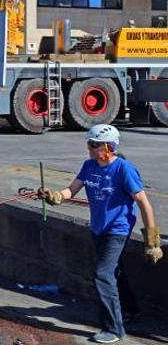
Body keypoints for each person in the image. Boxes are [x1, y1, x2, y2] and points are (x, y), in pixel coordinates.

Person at [39, 124, 163, 344]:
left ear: (109, 146)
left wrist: (152, 242)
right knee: (114, 272)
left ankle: (114, 329)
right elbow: (71, 190)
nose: (89, 148)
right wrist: (54, 196)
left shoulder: (124, 170)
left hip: (118, 229)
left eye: (94, 144)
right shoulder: (89, 166)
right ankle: (130, 311)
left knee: (103, 275)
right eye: (89, 144)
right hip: (98, 229)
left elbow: (144, 203)